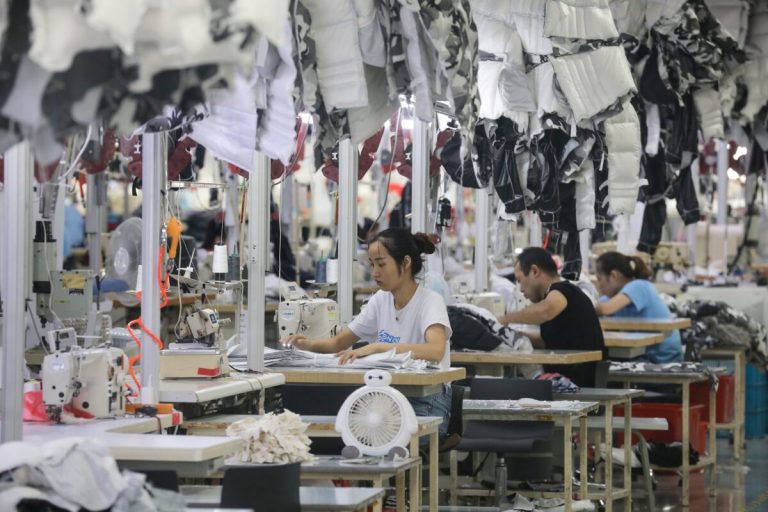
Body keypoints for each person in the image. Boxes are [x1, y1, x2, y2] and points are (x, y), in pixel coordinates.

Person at [282, 227, 453, 436]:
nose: (375, 273)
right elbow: (338, 343)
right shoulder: (380, 300)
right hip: (388, 398)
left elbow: (435, 351)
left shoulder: (430, 301)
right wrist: (306, 344)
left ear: (406, 263)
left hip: (428, 400)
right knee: (347, 432)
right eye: (372, 265)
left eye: (381, 264)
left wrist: (379, 347)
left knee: (371, 437)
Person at [498, 247, 605, 387]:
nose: (521, 289)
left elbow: (544, 311)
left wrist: (504, 319)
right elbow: (548, 341)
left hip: (578, 384)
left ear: (534, 271)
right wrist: (514, 335)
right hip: (572, 379)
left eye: (520, 280)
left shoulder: (562, 290)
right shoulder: (559, 295)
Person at [594, 251, 683, 363]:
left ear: (613, 276)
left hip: (664, 360)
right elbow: (599, 307)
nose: (599, 285)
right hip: (645, 355)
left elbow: (604, 309)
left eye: (599, 279)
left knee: (600, 366)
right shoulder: (614, 297)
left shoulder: (639, 286)